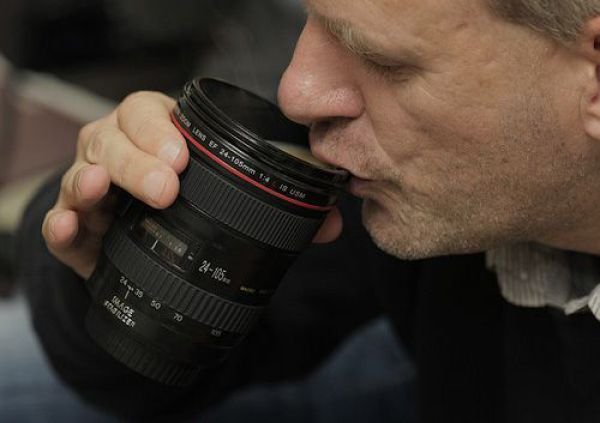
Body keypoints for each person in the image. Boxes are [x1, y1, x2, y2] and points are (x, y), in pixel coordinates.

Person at [16, 0, 600, 421]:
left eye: (383, 61)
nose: (296, 92)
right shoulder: (425, 187)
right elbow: (156, 379)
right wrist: (120, 225)